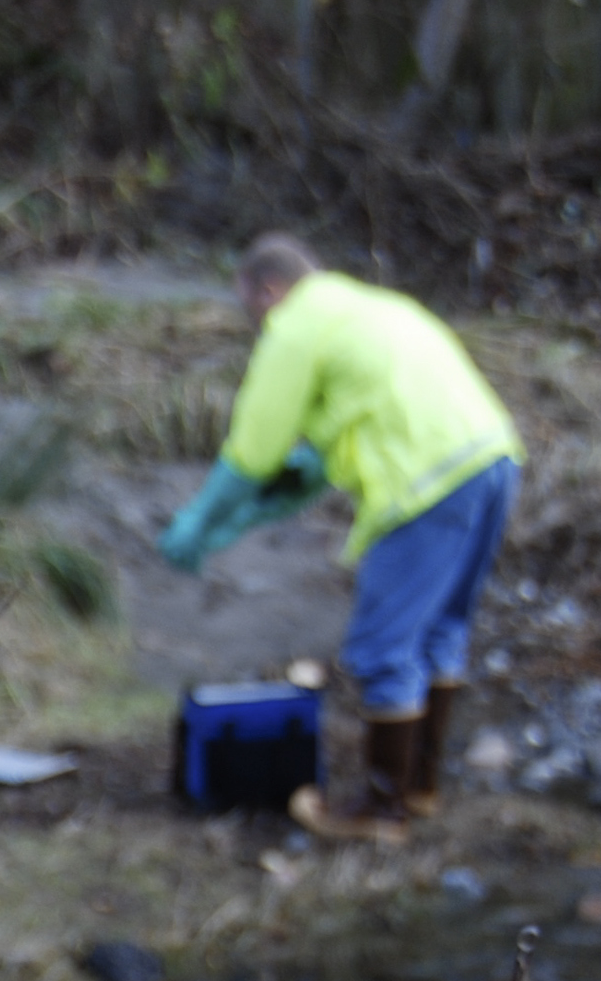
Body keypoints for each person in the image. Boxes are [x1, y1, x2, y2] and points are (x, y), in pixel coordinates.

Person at [159, 235, 524, 840]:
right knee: (441, 630)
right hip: (493, 461)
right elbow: (356, 420)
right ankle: (420, 788)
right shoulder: (375, 308)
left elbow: (252, 453)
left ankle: (381, 808)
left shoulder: (296, 327)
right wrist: (289, 485)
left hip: (426, 482)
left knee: (383, 646)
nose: (253, 324)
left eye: (249, 308)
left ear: (267, 290)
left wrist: (198, 522)